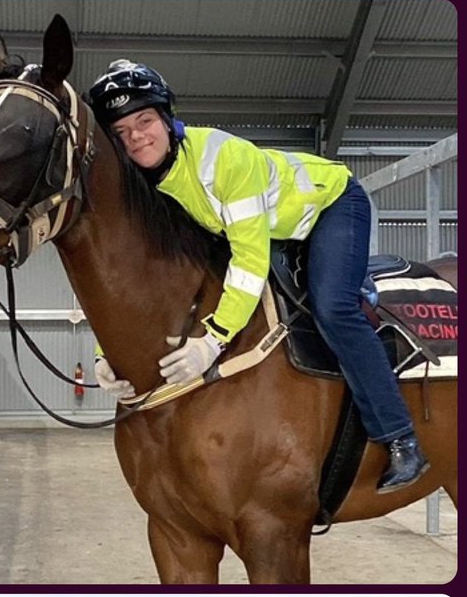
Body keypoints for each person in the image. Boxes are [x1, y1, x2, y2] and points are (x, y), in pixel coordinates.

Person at [87, 60, 429, 493]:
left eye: (145, 120)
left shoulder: (224, 158)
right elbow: (138, 278)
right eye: (121, 131)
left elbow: (249, 260)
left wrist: (212, 342)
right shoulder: (141, 186)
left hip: (329, 207)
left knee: (333, 307)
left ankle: (400, 438)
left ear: (166, 118)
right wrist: (105, 353)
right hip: (255, 230)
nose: (136, 136)